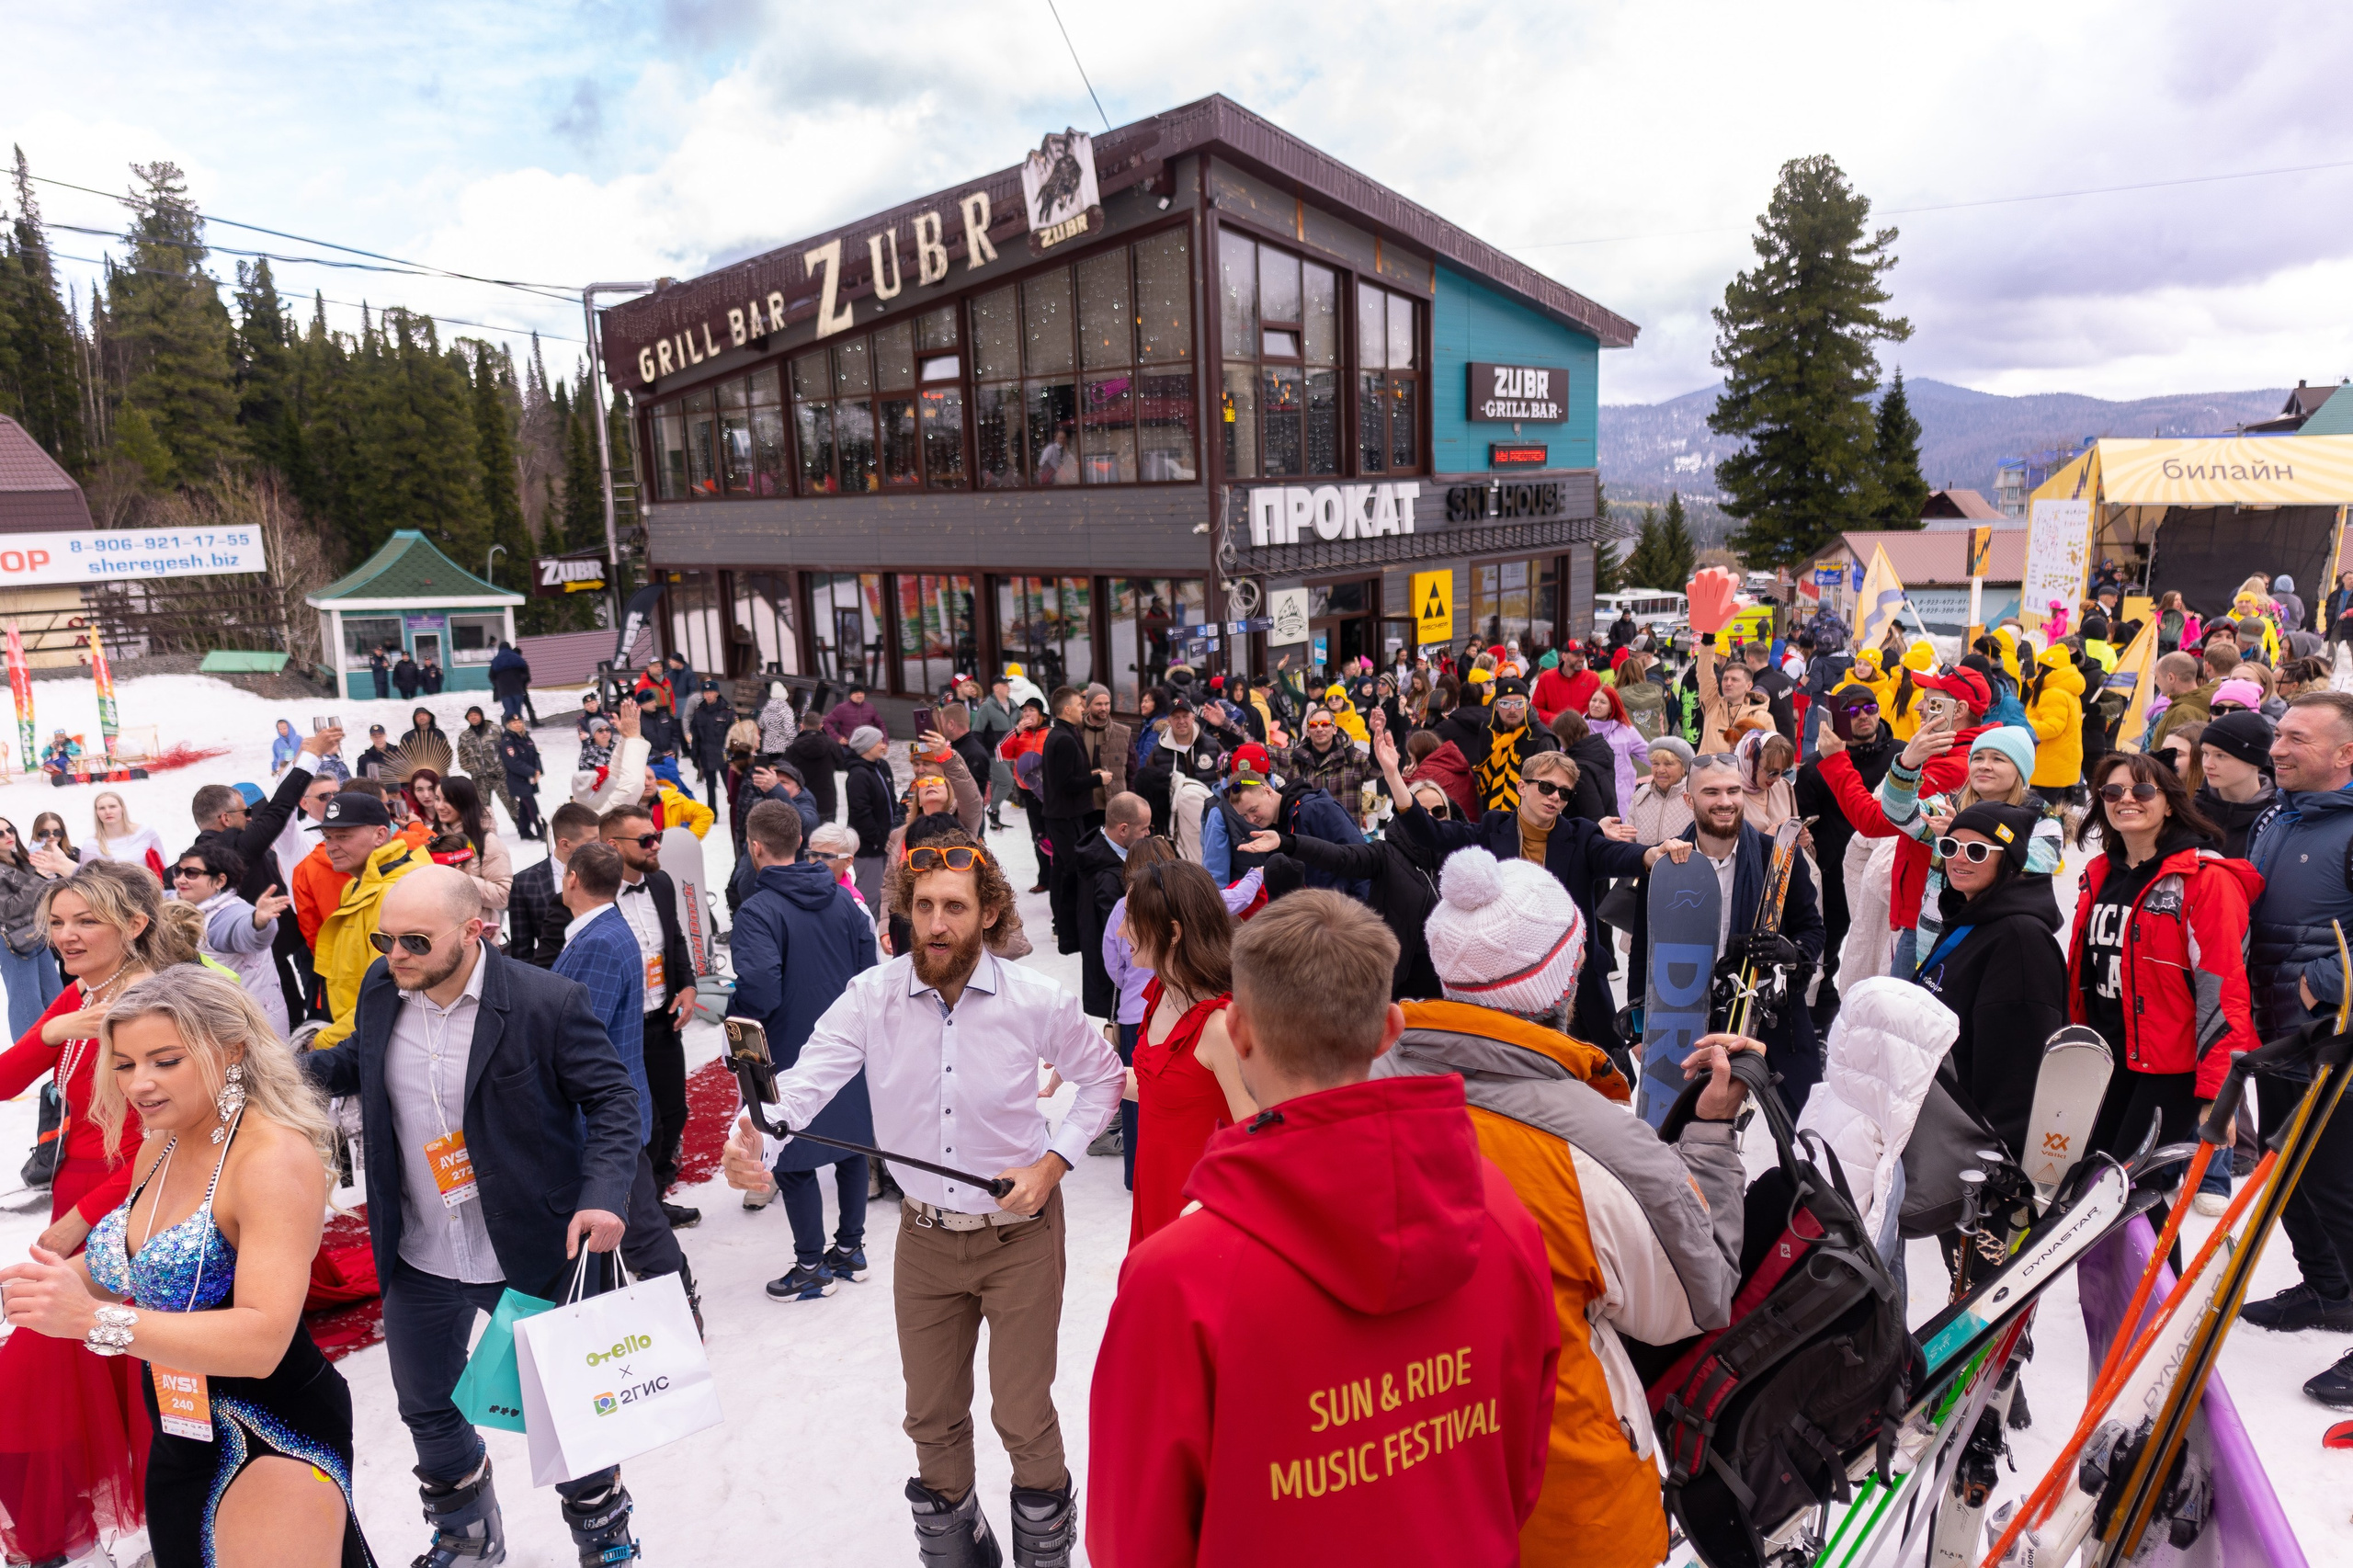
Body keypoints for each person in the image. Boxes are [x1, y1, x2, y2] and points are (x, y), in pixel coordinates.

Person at [1086, 891, 1562, 1566]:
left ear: (1240, 1032)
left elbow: (1134, 1539)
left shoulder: (1177, 1283)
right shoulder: (1499, 1214)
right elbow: (1519, 1467)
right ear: (1390, 1029)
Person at [719, 830, 1122, 1565]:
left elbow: (1103, 1079)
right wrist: (752, 1140)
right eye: (925, 906)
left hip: (1019, 1235)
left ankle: (1045, 1554)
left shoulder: (1038, 1001)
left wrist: (1055, 1163)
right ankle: (955, 1549)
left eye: (956, 908)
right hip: (926, 1240)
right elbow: (801, 1087)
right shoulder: (870, 998)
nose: (937, 925)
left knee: (1023, 1415)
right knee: (931, 1417)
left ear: (990, 912)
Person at [1388, 844, 1756, 1564]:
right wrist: (1709, 1135)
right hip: (1554, 1507)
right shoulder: (1598, 1146)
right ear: (1570, 973)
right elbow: (1698, 1297)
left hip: (1395, 1493)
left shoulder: (1350, 1087)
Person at [301, 864, 644, 1563]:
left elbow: (613, 1100)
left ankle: (604, 1537)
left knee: (567, 1410)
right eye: (383, 939)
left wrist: (604, 1194)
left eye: (414, 942)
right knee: (426, 1405)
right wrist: (281, 1067)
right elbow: (356, 1065)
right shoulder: (382, 990)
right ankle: (467, 1535)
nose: (395, 955)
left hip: (527, 1248)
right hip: (419, 1250)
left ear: (472, 932)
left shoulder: (546, 1001)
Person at [3, 965, 379, 1566]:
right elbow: (124, 1267)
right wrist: (26, 1288)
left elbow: (262, 1339)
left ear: (229, 1051)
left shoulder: (271, 1157)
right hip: (180, 1426)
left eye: (165, 1061)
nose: (139, 1083)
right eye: (124, 1064)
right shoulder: (164, 1140)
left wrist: (95, 1323)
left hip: (269, 1432)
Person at [0, 862, 174, 1566]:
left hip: (132, 1210)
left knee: (136, 1382)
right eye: (59, 921)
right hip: (77, 1202)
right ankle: (63, 1540)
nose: (65, 935)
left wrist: (81, 1223)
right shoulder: (82, 996)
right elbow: (6, 1080)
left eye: (85, 921)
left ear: (133, 926)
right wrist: (53, 1031)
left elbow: (167, 1137)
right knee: (80, 1381)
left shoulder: (155, 1003)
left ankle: (169, 1528)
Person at [2069, 754, 2259, 1225]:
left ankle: (2155, 1299)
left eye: (2142, 791)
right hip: (2104, 1059)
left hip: (2166, 1069)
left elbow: (2225, 990)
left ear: (2169, 803)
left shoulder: (2205, 880)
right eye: (2112, 793)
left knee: (2135, 1199)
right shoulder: (2100, 874)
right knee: (2091, 1191)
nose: (2125, 800)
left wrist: (2219, 1091)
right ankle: (2115, 1298)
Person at [1392, 739, 1660, 1056]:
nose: (1555, 797)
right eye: (1546, 787)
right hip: (1508, 979)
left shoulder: (1582, 835)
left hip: (1574, 977)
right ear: (1521, 786)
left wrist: (1649, 855)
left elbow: (1614, 854)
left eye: (1564, 793)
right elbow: (1433, 834)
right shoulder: (1492, 830)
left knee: (1603, 1065)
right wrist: (1392, 775)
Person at [728, 801, 881, 1293]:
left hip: (787, 1047)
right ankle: (851, 1250)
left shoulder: (757, 910)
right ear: (800, 842)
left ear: (755, 846)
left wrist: (735, 1011)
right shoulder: (845, 900)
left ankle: (812, 1266)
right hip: (848, 1042)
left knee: (789, 1156)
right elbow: (868, 977)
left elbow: (760, 988)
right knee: (852, 1146)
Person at [1627, 754, 1826, 1114]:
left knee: (1801, 1131)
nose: (1725, 801)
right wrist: (1641, 1030)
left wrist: (1790, 952)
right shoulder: (1667, 867)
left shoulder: (1776, 858)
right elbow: (1645, 949)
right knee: (1686, 1129)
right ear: (1689, 800)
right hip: (1686, 1016)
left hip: (1772, 1013)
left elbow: (1812, 930)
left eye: (1733, 790)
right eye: (1711, 792)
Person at [551, 838, 698, 1299]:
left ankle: (679, 1306)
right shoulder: (607, 930)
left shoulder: (597, 943)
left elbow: (575, 1033)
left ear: (572, 878)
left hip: (605, 1117)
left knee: (641, 1231)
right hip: (616, 1107)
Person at [1909, 801, 2069, 1155]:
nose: (1960, 859)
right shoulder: (1969, 915)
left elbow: (2017, 1076)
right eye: (1950, 846)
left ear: (2008, 861)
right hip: (1936, 1120)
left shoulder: (2020, 940)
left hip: (1969, 1147)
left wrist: (1991, 1165)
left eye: (1978, 851)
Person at [1242, 735, 1449, 1000]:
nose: (1428, 820)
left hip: (1451, 988)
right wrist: (1287, 842)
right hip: (1401, 988)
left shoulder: (1462, 861)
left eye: (1438, 812)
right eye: (1420, 811)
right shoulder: (1386, 855)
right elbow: (1339, 856)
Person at [1120, 857, 1254, 1247]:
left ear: (1172, 931)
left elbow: (1257, 1135)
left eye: (1131, 918)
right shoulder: (1161, 993)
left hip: (1198, 1210)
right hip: (1157, 1186)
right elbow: (1156, 1090)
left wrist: (1213, 1205)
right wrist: (1079, 1064)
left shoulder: (1220, 1026)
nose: (1121, 929)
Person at [191, 725, 344, 1027]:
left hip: (273, 946)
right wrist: (311, 755)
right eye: (244, 813)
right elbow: (281, 808)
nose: (251, 818)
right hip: (255, 958)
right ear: (226, 819)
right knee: (284, 1014)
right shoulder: (237, 846)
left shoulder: (188, 861)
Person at [596, 803, 698, 1223]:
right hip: (619, 1032)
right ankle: (635, 1215)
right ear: (612, 846)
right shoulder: (593, 896)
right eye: (646, 840)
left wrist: (688, 984)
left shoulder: (660, 883)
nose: (656, 845)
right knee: (639, 1125)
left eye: (656, 836)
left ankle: (653, 1200)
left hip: (662, 1023)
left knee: (673, 1113)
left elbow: (673, 940)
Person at [308, 790, 427, 1050]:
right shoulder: (355, 886)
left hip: (383, 1042)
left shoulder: (391, 896)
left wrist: (324, 1042)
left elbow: (385, 993)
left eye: (343, 836)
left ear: (380, 835)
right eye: (327, 837)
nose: (331, 846)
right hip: (359, 1036)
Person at [170, 841, 293, 1038]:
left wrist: (259, 922)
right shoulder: (180, 902)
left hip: (248, 1028)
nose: (180, 880)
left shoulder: (227, 914)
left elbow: (247, 933)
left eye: (191, 873)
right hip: (221, 1018)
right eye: (178, 872)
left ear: (220, 881)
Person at [1073, 792, 1155, 1020]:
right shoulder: (1107, 875)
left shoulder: (1102, 853)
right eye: (1144, 829)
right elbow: (1124, 938)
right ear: (1123, 830)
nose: (1149, 834)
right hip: (1118, 986)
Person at [1040, 687, 1101, 948]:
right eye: (1079, 704)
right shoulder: (1062, 738)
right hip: (1064, 817)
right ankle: (1065, 928)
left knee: (1065, 869)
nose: (1084, 708)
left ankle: (1066, 926)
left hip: (1067, 815)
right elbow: (1066, 784)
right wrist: (1097, 779)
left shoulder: (1066, 733)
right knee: (1069, 871)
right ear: (1066, 709)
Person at [507, 800, 601, 969]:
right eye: (592, 842)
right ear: (565, 844)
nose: (600, 847)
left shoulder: (607, 871)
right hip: (554, 981)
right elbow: (522, 954)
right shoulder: (526, 883)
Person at [0, 815, 68, 1038]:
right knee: (27, 1003)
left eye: (10, 830)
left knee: (55, 996)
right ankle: (29, 1060)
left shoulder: (23, 860)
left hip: (37, 934)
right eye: (0, 834)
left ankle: (61, 1053)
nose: (8, 836)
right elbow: (8, 909)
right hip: (12, 941)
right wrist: (39, 878)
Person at [430, 776, 514, 937]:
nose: (439, 806)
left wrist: (462, 878)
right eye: (437, 799)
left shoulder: (488, 843)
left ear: (464, 802)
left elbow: (503, 895)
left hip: (475, 937)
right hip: (439, 934)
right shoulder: (432, 838)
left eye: (447, 801)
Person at [2194, 710, 2277, 858]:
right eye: (2205, 753)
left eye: (2221, 756)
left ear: (2253, 761)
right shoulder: (2192, 812)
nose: (2208, 764)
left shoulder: (2278, 820)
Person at [844, 723, 901, 915]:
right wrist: (880, 839)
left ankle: (882, 932)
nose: (883, 746)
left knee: (888, 891)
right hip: (870, 848)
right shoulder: (858, 775)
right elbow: (861, 814)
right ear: (867, 747)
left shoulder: (881, 766)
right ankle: (866, 933)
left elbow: (891, 801)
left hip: (887, 841)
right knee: (870, 894)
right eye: (879, 742)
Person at [83, 790, 167, 879]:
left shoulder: (146, 833)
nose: (107, 812)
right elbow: (88, 880)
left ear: (123, 808)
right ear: (97, 812)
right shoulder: (91, 845)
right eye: (102, 808)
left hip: (149, 889)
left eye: (112, 807)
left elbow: (163, 867)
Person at [455, 705, 510, 824]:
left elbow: (507, 748)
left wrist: (505, 767)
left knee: (511, 803)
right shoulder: (465, 736)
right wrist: (472, 770)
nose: (473, 718)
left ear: (481, 716)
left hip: (499, 776)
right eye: (470, 716)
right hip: (479, 779)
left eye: (476, 715)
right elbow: (462, 756)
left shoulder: (495, 730)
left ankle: (523, 828)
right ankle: (486, 830)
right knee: (482, 809)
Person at [688, 678, 737, 806]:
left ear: (717, 693)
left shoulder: (727, 712)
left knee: (730, 787)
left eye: (711, 692)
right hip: (706, 754)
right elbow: (696, 735)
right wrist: (694, 754)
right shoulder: (699, 712)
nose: (708, 695)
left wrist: (733, 755)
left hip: (724, 756)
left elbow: (734, 735)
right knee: (710, 787)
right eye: (706, 692)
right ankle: (712, 813)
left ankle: (735, 809)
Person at [496, 710, 543, 842]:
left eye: (519, 722)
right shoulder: (507, 741)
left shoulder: (526, 737)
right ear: (508, 725)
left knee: (524, 806)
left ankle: (524, 831)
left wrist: (538, 769)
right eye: (514, 723)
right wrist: (532, 772)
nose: (517, 725)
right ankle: (541, 830)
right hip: (517, 779)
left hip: (530, 777)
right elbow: (513, 762)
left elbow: (535, 755)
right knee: (531, 804)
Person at [1531, 639, 1599, 725]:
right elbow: (1536, 709)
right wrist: (1559, 721)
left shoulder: (1593, 678)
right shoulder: (1546, 678)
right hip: (1556, 734)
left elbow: (1599, 709)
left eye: (1583, 655)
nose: (1581, 659)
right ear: (1564, 656)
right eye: (1577, 655)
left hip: (1585, 734)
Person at [823, 681, 882, 745]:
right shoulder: (842, 708)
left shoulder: (870, 707)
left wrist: (884, 742)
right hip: (849, 747)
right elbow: (826, 721)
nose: (859, 695)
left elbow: (881, 724)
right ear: (850, 696)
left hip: (867, 747)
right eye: (856, 693)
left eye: (861, 693)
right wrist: (838, 738)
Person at [487, 639, 532, 722]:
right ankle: (519, 731)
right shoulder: (517, 658)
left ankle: (511, 732)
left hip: (504, 691)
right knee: (518, 712)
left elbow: (491, 676)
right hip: (517, 689)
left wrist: (497, 684)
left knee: (509, 712)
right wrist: (521, 682)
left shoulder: (496, 661)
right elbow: (526, 674)